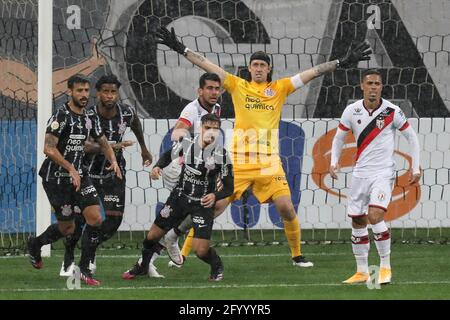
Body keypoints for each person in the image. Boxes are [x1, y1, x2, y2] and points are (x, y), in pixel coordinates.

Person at [154, 26, 372, 267]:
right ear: (249, 68)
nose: (258, 69)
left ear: (269, 69)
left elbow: (313, 73)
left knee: (286, 208)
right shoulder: (238, 85)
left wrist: (341, 62)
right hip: (238, 162)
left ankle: (297, 255)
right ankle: (182, 253)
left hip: (269, 162)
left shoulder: (279, 88)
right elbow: (206, 64)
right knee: (212, 206)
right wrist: (180, 48)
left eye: (262, 65)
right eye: (255, 65)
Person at [27, 74, 122, 286]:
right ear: (69, 92)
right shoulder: (60, 117)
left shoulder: (90, 117)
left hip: (80, 175)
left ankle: (85, 269)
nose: (84, 95)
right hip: (57, 178)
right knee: (67, 228)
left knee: (96, 218)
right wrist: (70, 167)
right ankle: (35, 244)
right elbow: (48, 148)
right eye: (79, 91)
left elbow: (103, 142)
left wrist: (113, 160)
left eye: (86, 91)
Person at [329, 69, 421, 284]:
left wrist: (415, 167)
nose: (373, 87)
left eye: (377, 84)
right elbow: (338, 138)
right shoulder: (352, 111)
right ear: (362, 85)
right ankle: (362, 271)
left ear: (381, 87)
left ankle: (385, 268)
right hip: (360, 173)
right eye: (369, 83)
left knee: (376, 216)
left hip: (383, 173)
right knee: (358, 220)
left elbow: (412, 138)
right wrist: (334, 162)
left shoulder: (392, 111)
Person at [59, 74, 153, 277]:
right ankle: (68, 259)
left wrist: (144, 148)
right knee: (79, 221)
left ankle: (88, 254)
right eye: (106, 92)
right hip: (87, 173)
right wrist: (111, 147)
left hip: (114, 173)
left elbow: (135, 124)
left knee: (112, 222)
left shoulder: (126, 112)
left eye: (113, 92)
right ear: (98, 93)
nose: (110, 96)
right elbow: (81, 146)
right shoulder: (87, 115)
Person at [122, 114, 233, 281]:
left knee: (201, 251)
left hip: (202, 204)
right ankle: (142, 266)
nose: (211, 132)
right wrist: (157, 167)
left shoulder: (222, 156)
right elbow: (168, 155)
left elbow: (230, 187)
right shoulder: (187, 144)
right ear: (199, 129)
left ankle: (217, 266)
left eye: (215, 129)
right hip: (179, 198)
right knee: (152, 237)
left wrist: (215, 195)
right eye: (207, 128)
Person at [157, 72, 223, 268]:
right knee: (190, 209)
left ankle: (171, 237)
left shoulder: (216, 108)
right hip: (179, 168)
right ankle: (154, 253)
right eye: (209, 88)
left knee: (213, 204)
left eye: (217, 88)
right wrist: (190, 145)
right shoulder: (191, 110)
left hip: (197, 168)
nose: (213, 92)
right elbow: (177, 132)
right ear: (199, 90)